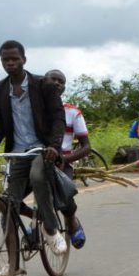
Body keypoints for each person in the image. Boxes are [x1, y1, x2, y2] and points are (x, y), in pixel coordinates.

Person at [0, 40, 67, 256]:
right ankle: (13, 265)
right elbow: (0, 123)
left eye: (14, 59)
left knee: (37, 177)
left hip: (41, 150)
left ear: (24, 60)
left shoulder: (43, 85)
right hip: (17, 152)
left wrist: (54, 146)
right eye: (5, 60)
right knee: (9, 205)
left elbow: (58, 117)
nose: (10, 63)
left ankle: (51, 229)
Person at [45, 69, 88, 249]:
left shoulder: (72, 113)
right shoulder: (34, 109)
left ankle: (71, 220)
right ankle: (35, 221)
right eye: (53, 79)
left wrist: (65, 159)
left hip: (63, 163)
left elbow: (86, 146)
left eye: (61, 81)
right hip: (37, 159)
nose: (57, 83)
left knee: (65, 194)